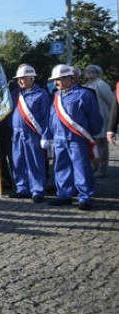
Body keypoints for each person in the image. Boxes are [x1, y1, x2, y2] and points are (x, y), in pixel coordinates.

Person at [42, 64, 102, 211]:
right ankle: (64, 195)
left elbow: (94, 117)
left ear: (71, 78)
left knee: (81, 169)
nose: (55, 83)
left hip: (77, 139)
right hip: (59, 139)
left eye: (59, 79)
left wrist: (92, 134)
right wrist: (47, 135)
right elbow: (51, 118)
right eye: (54, 80)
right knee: (61, 168)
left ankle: (85, 197)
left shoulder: (84, 94)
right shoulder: (56, 96)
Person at [8, 64, 50, 203]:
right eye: (19, 79)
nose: (20, 81)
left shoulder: (41, 94)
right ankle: (22, 188)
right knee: (18, 162)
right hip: (17, 133)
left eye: (23, 78)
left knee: (34, 162)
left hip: (33, 133)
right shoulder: (15, 94)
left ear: (32, 78)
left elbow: (46, 116)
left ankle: (37, 190)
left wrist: (45, 135)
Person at [82, 65, 113, 178]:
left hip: (101, 117)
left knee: (101, 144)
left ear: (97, 73)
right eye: (88, 71)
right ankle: (94, 166)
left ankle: (102, 168)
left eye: (92, 71)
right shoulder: (85, 85)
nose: (89, 72)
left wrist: (112, 118)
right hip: (89, 119)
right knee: (91, 144)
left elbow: (111, 101)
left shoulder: (101, 84)